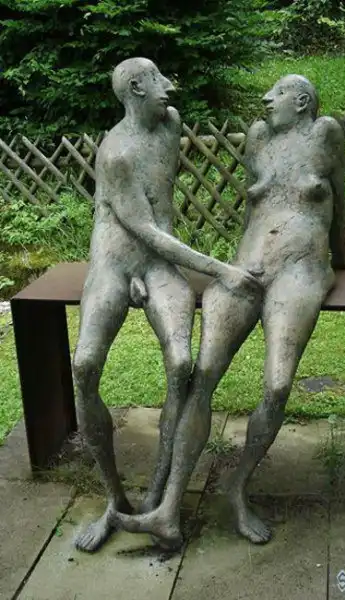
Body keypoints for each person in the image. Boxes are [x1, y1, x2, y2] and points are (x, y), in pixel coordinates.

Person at [111, 74, 345, 547]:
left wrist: (342, 258)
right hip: (245, 268)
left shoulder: (325, 133)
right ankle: (167, 510)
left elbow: (340, 204)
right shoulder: (259, 137)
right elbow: (253, 213)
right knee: (202, 375)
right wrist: (235, 265)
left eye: (277, 93)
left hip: (301, 271)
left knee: (278, 384)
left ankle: (237, 487)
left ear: (302, 101)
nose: (266, 99)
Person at [73, 57, 260, 553]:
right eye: (158, 79)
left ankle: (157, 497)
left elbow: (161, 221)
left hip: (158, 265)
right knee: (85, 365)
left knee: (181, 365)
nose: (169, 86)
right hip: (114, 263)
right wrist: (222, 270)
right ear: (137, 87)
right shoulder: (115, 153)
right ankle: (114, 500)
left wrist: (154, 272)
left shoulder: (170, 124)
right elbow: (141, 227)